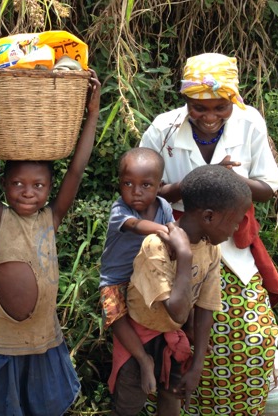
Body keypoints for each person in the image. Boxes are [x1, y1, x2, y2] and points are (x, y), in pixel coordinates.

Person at [139, 52, 278, 415]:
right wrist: (192, 185)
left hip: (231, 245)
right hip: (173, 245)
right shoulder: (164, 128)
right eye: (198, 107)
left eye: (220, 108)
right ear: (185, 100)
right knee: (174, 344)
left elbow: (269, 186)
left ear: (234, 101)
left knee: (253, 341)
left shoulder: (249, 123)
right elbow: (139, 189)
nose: (208, 117)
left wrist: (231, 182)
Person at [0, 63, 101, 416]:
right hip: (3, 343)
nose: (27, 192)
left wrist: (92, 113)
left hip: (43, 341)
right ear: (4, 187)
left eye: (39, 186)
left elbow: (78, 169)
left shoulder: (51, 218)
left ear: (50, 189)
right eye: (18, 184)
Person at [110, 164, 253, 415]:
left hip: (174, 337)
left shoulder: (211, 250)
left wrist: (197, 365)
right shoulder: (156, 246)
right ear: (209, 216)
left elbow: (206, 306)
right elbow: (177, 311)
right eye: (234, 222)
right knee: (129, 404)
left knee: (172, 395)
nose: (235, 230)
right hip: (139, 336)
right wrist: (184, 255)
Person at [99, 147, 175, 395]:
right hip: (116, 279)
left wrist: (175, 233)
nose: (136, 191)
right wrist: (165, 231)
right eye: (128, 183)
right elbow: (135, 225)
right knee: (114, 316)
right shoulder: (120, 209)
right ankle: (143, 360)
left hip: (146, 277)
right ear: (120, 185)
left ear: (159, 186)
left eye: (146, 185)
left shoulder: (164, 206)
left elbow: (173, 228)